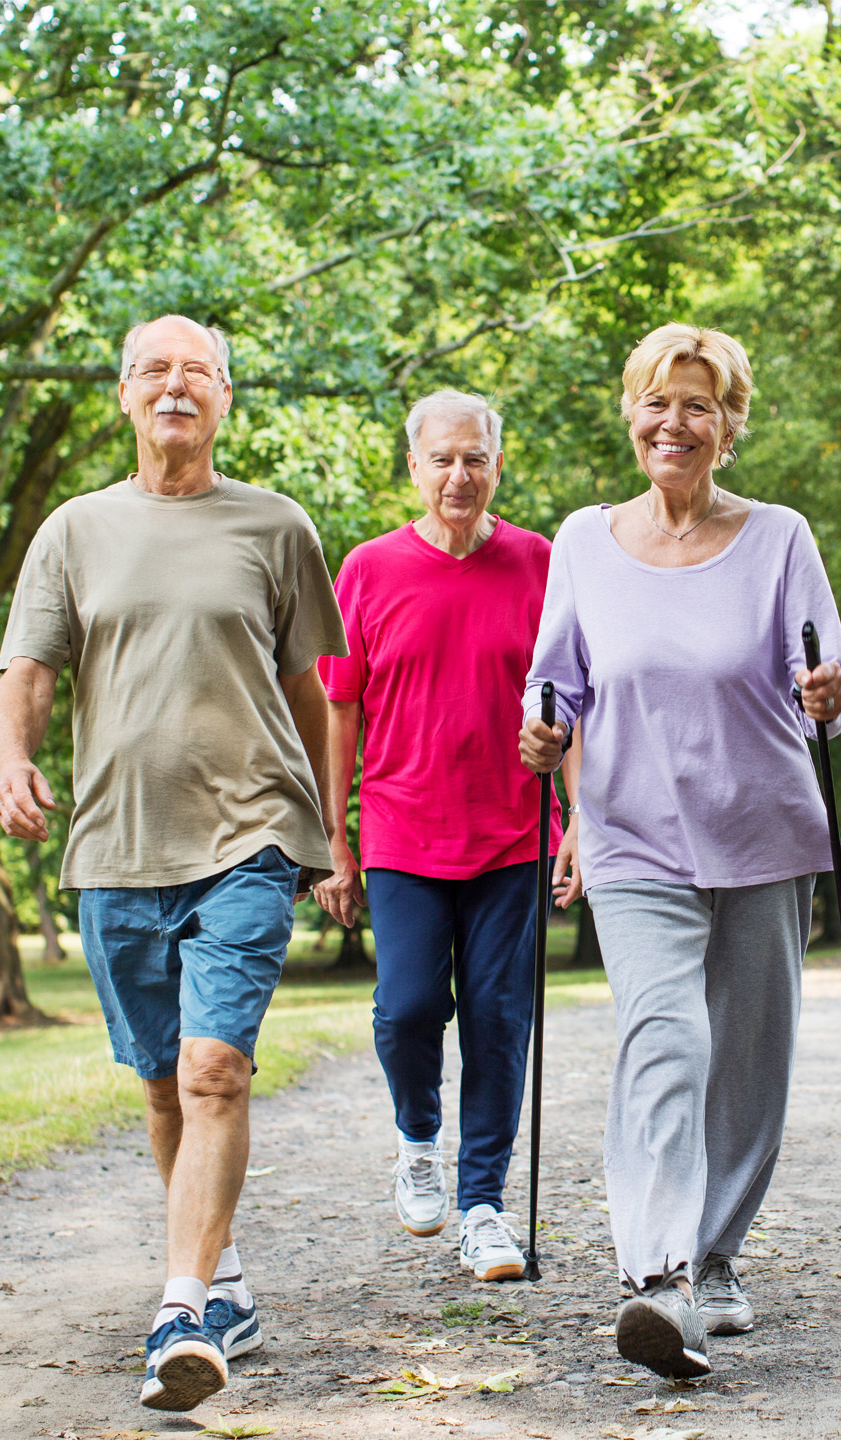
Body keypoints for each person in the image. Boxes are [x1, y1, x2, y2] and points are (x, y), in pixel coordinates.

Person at [0, 315, 348, 1412]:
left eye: (199, 371)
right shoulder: (74, 530)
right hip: (115, 842)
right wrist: (12, 759)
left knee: (213, 1072)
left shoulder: (276, 527)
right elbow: (30, 667)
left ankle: (182, 1305)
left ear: (226, 399)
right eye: (155, 368)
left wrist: (327, 828)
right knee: (159, 1082)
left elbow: (312, 692)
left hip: (250, 834)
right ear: (125, 394)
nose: (176, 385)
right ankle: (225, 1271)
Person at [518, 322, 841, 1380]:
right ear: (630, 412)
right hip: (631, 832)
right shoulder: (582, 541)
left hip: (762, 828)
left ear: (730, 426)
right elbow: (556, 685)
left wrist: (828, 697)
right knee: (667, 1039)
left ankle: (715, 1257)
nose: (676, 423)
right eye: (659, 402)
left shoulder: (780, 537)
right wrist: (541, 732)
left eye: (699, 406)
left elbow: (828, 687)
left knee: (750, 1061)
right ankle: (656, 1276)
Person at [311, 390, 562, 1282]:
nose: (460, 476)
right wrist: (329, 837)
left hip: (513, 829)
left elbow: (569, 701)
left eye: (477, 459)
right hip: (403, 828)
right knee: (408, 1007)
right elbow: (341, 709)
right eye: (443, 459)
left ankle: (483, 1204)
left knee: (499, 1018)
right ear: (413, 467)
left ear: (499, 464)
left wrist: (579, 821)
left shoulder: (540, 563)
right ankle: (418, 1134)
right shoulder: (368, 570)